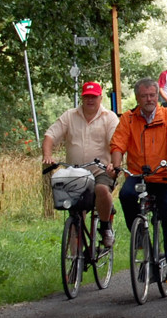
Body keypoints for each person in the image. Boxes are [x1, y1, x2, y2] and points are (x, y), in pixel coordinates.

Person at [107, 78, 167, 283]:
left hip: (164, 175)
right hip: (138, 175)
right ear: (137, 98)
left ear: (157, 96)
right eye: (144, 96)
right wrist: (116, 166)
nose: (149, 99)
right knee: (126, 196)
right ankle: (141, 241)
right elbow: (118, 143)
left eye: (152, 95)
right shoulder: (129, 119)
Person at [42, 82, 119, 248]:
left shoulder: (109, 117)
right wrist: (47, 155)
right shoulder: (70, 116)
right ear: (82, 98)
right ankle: (74, 262)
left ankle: (105, 228)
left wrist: (114, 163)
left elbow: (116, 143)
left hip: (100, 170)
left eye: (94, 96)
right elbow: (50, 135)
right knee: (75, 213)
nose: (90, 100)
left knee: (101, 189)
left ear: (100, 97)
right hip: (75, 172)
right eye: (87, 97)